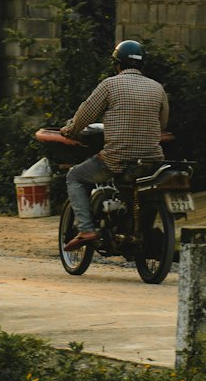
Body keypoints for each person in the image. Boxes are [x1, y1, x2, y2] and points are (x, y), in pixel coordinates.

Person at [60, 39, 169, 250]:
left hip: (117, 159)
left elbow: (85, 115)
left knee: (74, 176)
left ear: (117, 64)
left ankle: (86, 229)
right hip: (152, 160)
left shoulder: (109, 85)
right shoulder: (157, 89)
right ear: (142, 65)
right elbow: (162, 123)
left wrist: (70, 129)